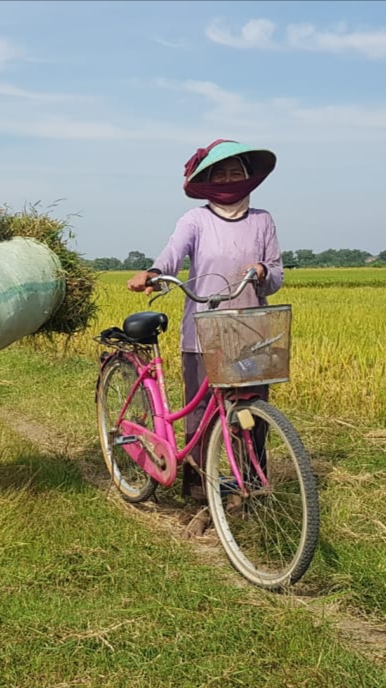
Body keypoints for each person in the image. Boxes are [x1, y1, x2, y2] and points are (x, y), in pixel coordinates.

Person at [127, 139, 284, 502]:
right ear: (209, 180)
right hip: (203, 331)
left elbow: (276, 276)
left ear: (247, 178)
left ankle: (253, 490)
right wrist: (153, 272)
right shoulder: (196, 219)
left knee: (253, 413)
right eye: (221, 173)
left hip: (250, 332)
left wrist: (262, 271)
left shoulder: (262, 220)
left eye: (236, 173)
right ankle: (199, 497)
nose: (229, 180)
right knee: (201, 417)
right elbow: (173, 253)